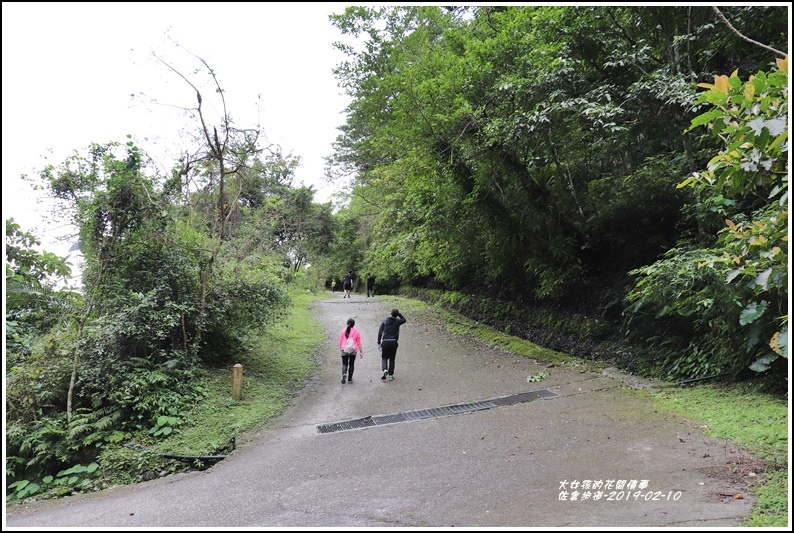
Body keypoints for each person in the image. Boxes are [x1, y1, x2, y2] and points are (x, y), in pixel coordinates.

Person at [377, 308, 406, 381]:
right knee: (392, 359)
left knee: (384, 357)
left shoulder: (385, 321)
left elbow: (380, 332)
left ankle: (385, 369)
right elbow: (404, 320)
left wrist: (379, 342)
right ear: (396, 315)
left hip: (385, 342)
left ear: (390, 313)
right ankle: (390, 375)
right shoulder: (398, 321)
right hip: (393, 342)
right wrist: (398, 314)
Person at [339, 318, 363, 384]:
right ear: (354, 324)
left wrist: (341, 349)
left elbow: (340, 341)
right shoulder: (356, 331)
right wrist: (361, 351)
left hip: (344, 349)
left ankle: (344, 374)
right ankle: (349, 379)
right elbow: (359, 343)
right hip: (353, 350)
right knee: (351, 364)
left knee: (344, 364)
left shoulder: (343, 331)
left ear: (347, 323)